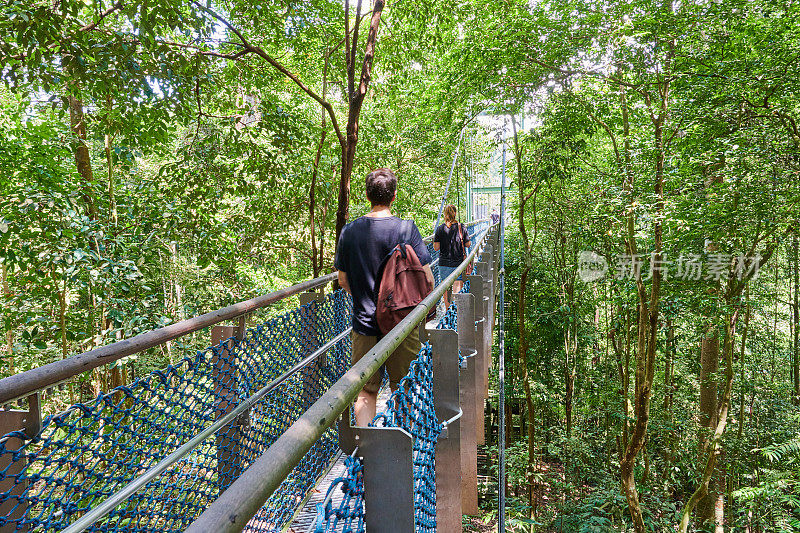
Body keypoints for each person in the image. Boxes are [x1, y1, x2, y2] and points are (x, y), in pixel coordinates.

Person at [335, 168, 434, 426]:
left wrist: (368, 297)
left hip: (364, 325)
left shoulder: (350, 232)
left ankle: (364, 457)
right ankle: (404, 452)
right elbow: (428, 279)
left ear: (367, 195)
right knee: (405, 387)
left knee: (366, 391)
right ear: (394, 195)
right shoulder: (406, 229)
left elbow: (343, 280)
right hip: (401, 324)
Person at [433, 204, 471, 308]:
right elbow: (468, 244)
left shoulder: (440, 229)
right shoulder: (461, 227)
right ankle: (457, 313)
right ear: (455, 213)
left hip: (444, 264)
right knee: (458, 288)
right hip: (458, 263)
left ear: (445, 214)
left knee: (446, 289)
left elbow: (436, 247)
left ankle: (447, 312)